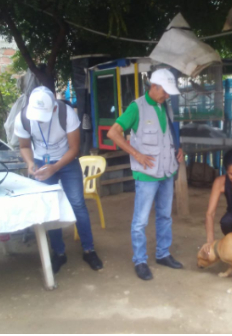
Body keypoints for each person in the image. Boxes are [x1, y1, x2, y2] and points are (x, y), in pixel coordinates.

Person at [15, 86, 104, 273]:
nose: (38, 118)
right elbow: (24, 146)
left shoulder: (66, 114)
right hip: (41, 161)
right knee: (50, 206)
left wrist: (55, 167)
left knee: (78, 204)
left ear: (54, 108)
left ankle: (89, 249)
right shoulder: (23, 118)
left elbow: (74, 148)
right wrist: (30, 163)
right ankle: (58, 253)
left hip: (67, 161)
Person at [107, 68, 184, 281]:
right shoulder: (136, 107)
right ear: (154, 86)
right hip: (147, 175)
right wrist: (136, 154)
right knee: (140, 221)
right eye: (165, 91)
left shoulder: (165, 106)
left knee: (165, 216)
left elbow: (168, 133)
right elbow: (113, 132)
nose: (167, 95)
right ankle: (140, 260)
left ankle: (163, 254)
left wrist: (178, 147)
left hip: (167, 171)